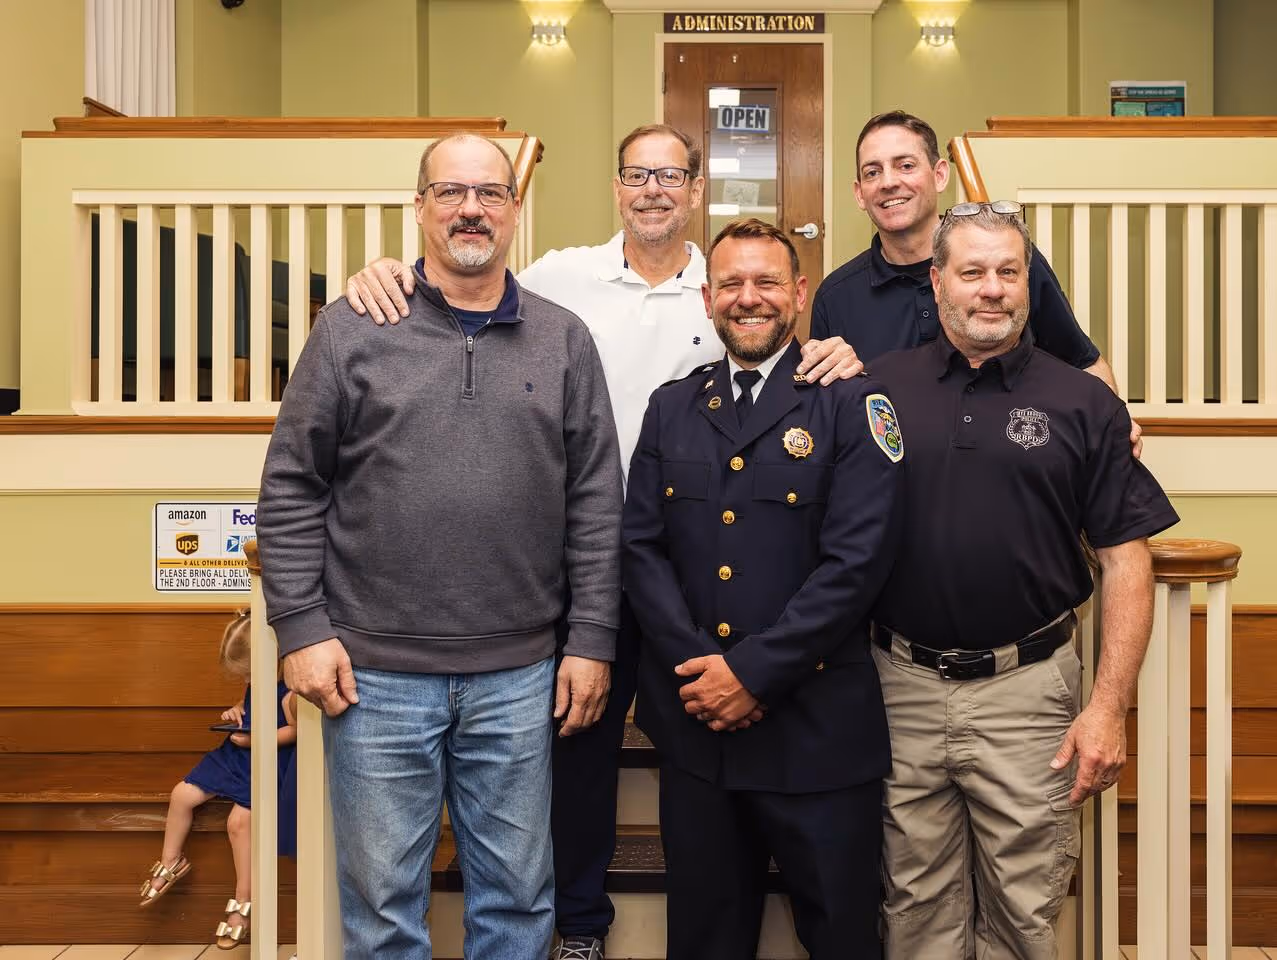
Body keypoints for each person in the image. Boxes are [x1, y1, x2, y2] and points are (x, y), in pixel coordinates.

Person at [340, 124, 863, 960]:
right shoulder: (559, 276)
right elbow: (459, 282)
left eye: (670, 175)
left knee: (696, 739)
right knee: (576, 741)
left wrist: (842, 353)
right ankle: (579, 921)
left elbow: (810, 367)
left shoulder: (729, 280)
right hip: (573, 559)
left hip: (688, 570)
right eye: (635, 174)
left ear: (695, 189)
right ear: (616, 187)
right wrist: (387, 273)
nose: (652, 189)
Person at [258, 132, 624, 960]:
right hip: (374, 677)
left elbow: (597, 502)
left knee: (518, 903)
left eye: (490, 193)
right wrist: (301, 629)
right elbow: (290, 485)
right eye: (450, 192)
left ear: (514, 210)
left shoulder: (563, 339)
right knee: (383, 909)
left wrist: (592, 640)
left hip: (520, 675)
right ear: (419, 206)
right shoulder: (353, 328)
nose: (471, 209)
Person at [865, 201, 1180, 959]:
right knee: (912, 907)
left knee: (1025, 910)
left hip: (1029, 692)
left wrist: (1107, 709)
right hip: (898, 685)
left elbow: (1126, 560)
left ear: (1030, 284)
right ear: (937, 282)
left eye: (1009, 272)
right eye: (971, 272)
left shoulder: (1084, 402)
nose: (992, 289)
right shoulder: (875, 391)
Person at [623, 218, 904, 960]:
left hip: (816, 733)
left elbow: (858, 563)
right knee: (706, 942)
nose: (750, 299)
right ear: (708, 298)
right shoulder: (672, 406)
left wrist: (750, 674)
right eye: (733, 284)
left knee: (842, 938)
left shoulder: (851, 403)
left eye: (768, 282)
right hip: (697, 733)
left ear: (800, 294)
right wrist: (700, 673)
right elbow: (642, 549)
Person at [813, 110, 1142, 454]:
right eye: (872, 172)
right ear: (859, 193)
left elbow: (1081, 361)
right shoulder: (837, 297)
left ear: (940, 175)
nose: (888, 182)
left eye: (906, 165)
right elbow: (826, 412)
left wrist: (1115, 428)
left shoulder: (1005, 267)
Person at [137, 609, 297, 952]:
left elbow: (299, 730)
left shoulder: (294, 686)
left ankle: (243, 902)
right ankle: (170, 861)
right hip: (236, 754)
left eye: (251, 673)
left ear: (275, 658)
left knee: (239, 822)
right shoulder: (258, 676)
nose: (249, 680)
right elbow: (251, 702)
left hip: (270, 759)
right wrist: (236, 710)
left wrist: (258, 740)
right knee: (181, 794)